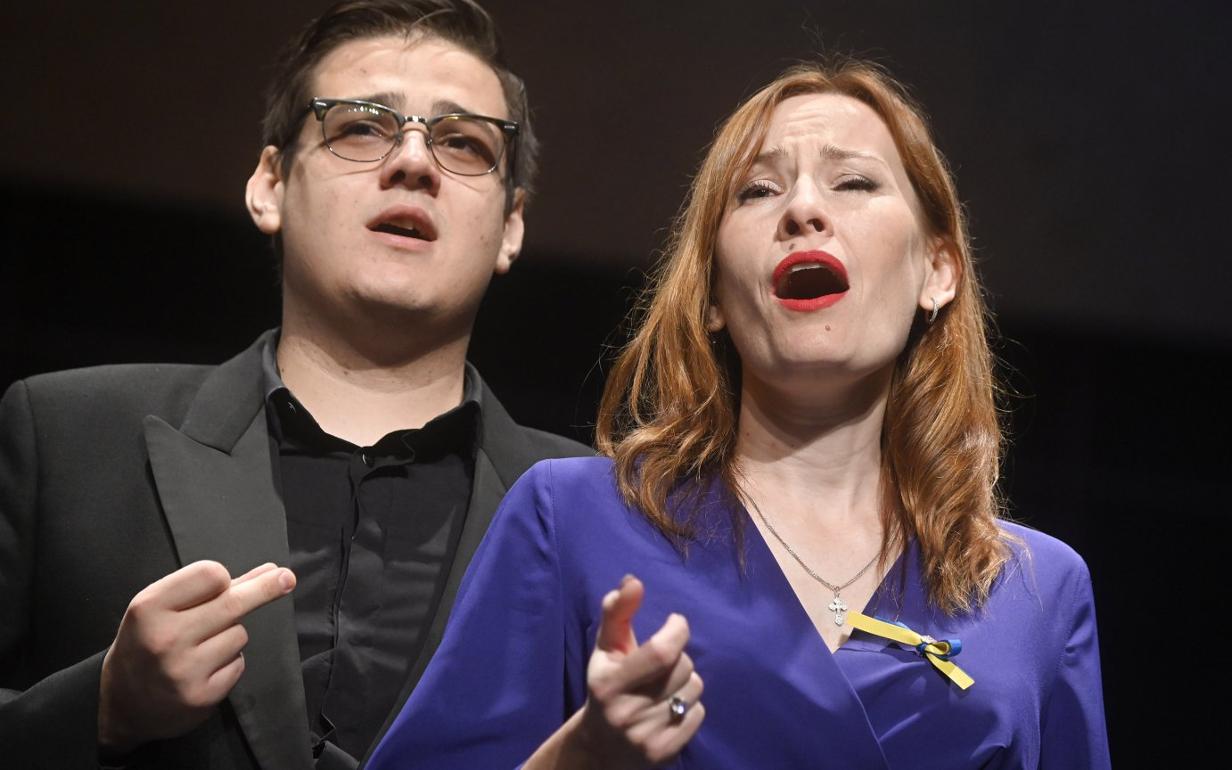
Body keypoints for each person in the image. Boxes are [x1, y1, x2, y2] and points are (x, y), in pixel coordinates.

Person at [366, 57, 1111, 769]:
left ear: (937, 271)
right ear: (716, 295)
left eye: (853, 181)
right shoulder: (570, 520)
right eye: (757, 192)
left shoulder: (1039, 591)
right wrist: (581, 760)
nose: (804, 210)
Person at [0, 1, 590, 768]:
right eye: (360, 126)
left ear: (511, 225)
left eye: (464, 143)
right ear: (269, 184)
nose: (412, 161)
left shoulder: (596, 510)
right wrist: (103, 706)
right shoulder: (68, 437)